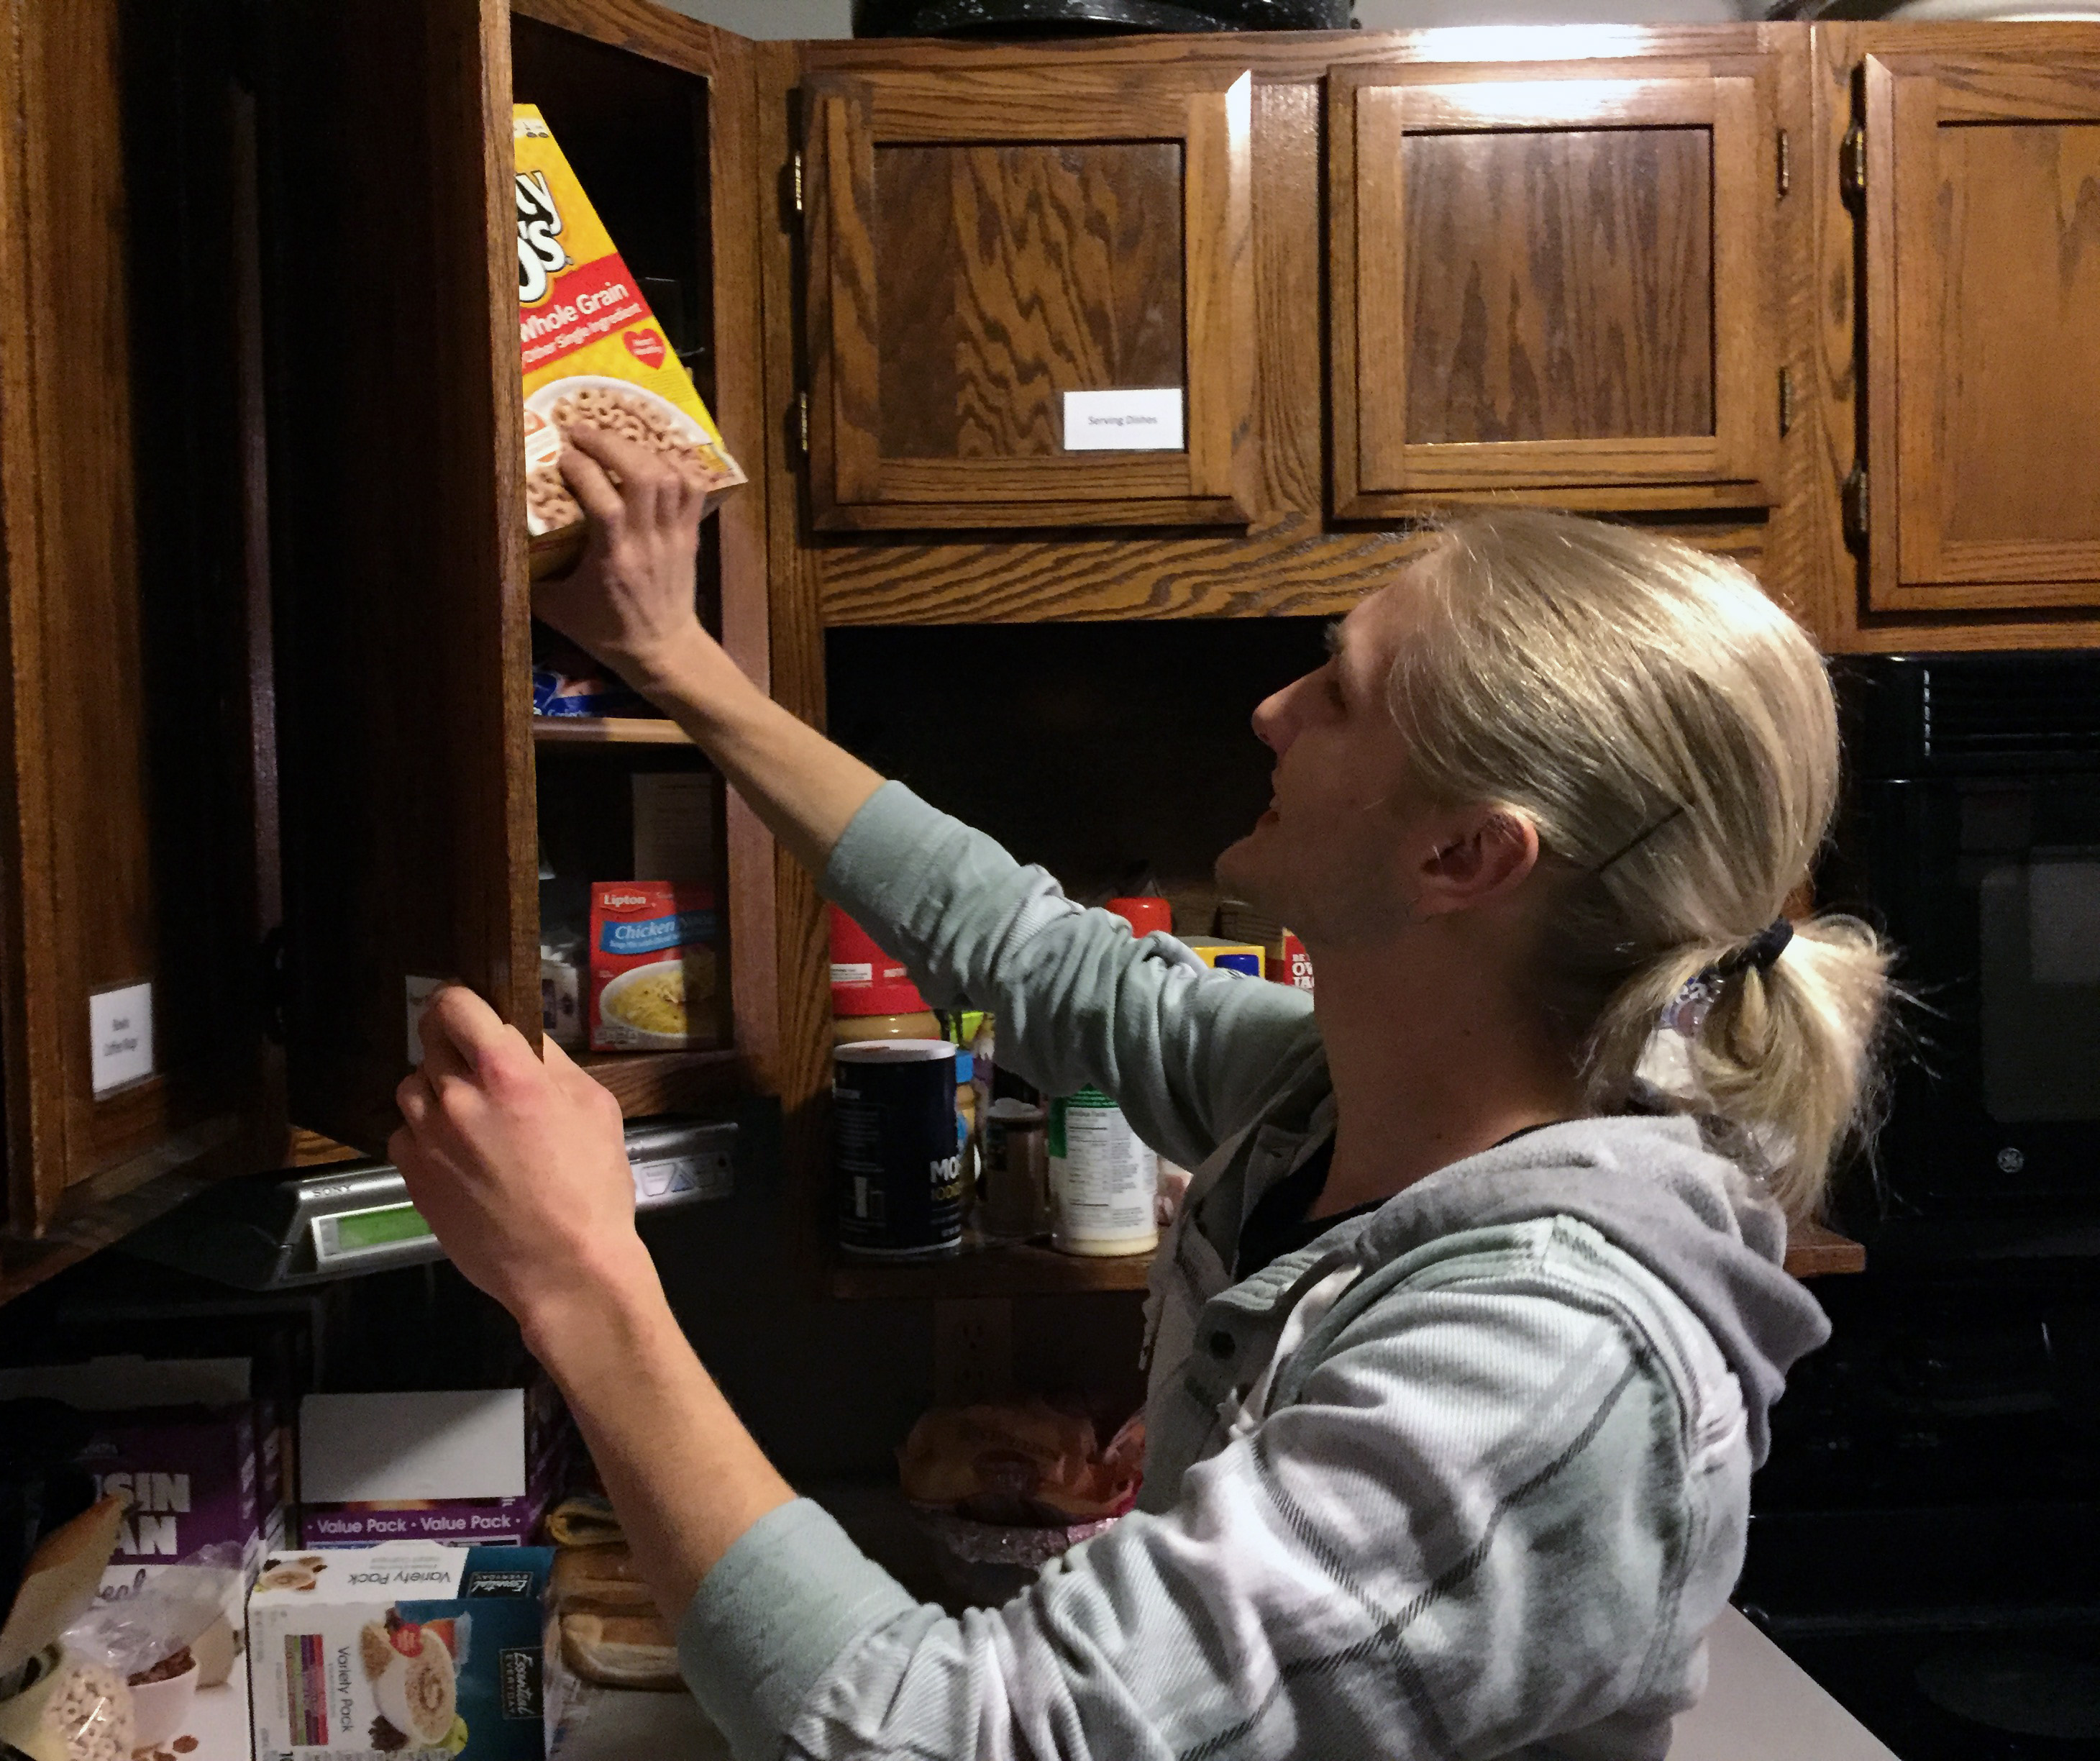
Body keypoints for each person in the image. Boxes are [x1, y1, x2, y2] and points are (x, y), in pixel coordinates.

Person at [389, 426, 1893, 1761]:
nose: (1271, 709)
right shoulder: (1333, 1099)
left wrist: (581, 1282)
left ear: (1465, 858)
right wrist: (680, 667)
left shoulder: (1549, 1366)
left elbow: (938, 1736)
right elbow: (1023, 950)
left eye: (1342, 694)